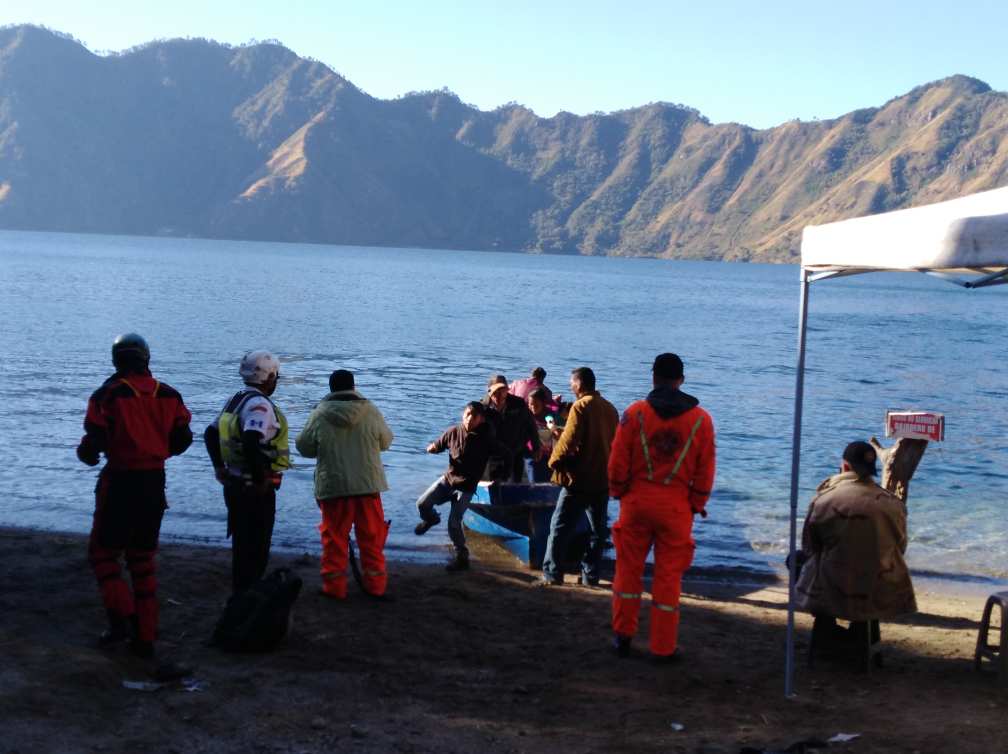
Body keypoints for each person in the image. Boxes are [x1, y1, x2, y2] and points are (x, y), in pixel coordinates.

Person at [77, 333, 193, 659]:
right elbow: (183, 440)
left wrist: (88, 453)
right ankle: (145, 637)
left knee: (103, 555)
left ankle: (123, 619)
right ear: (146, 359)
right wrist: (156, 450)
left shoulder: (108, 395)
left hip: (120, 482)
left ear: (117, 361)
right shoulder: (169, 395)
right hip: (153, 483)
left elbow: (93, 443)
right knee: (142, 562)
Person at [607, 353, 716, 662]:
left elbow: (617, 463)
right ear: (681, 380)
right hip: (677, 509)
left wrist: (619, 492)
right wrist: (697, 502)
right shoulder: (701, 421)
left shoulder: (634, 414)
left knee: (628, 572)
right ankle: (663, 647)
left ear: (653, 376)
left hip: (637, 503)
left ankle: (623, 637)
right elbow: (706, 469)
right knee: (668, 578)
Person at [795, 441, 916, 647]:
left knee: (796, 559)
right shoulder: (894, 504)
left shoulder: (824, 500)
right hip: (878, 587)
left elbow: (810, 546)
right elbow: (900, 548)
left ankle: (825, 622)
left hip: (832, 586)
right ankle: (863, 628)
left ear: (845, 466)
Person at [295, 369, 393, 599]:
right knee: (371, 538)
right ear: (353, 386)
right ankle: (376, 587)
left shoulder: (319, 413)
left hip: (334, 487)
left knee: (335, 539)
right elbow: (386, 442)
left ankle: (334, 588)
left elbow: (304, 447)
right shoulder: (370, 411)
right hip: (368, 486)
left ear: (330, 388)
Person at [204, 351, 290, 596]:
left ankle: (241, 591)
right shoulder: (260, 405)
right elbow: (252, 441)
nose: (276, 381)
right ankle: (248, 597)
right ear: (269, 377)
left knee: (242, 546)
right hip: (254, 490)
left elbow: (210, 433)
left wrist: (219, 467)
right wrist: (261, 479)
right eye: (276, 377)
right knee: (257, 548)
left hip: (234, 485)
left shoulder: (236, 399)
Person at [541, 367, 619, 586]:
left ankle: (552, 574)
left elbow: (569, 441)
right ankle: (590, 575)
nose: (569, 387)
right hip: (602, 480)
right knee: (598, 531)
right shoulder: (610, 409)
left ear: (580, 384)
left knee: (559, 527)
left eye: (571, 383)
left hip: (579, 480)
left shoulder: (580, 406)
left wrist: (553, 461)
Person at [415, 401, 501, 572]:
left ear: (481, 420)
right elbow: (438, 445)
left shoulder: (486, 439)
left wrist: (498, 477)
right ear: (463, 414)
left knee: (454, 523)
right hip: (448, 481)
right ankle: (432, 519)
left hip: (466, 488)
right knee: (422, 503)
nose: (469, 419)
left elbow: (506, 455)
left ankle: (462, 557)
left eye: (474, 416)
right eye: (467, 414)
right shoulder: (453, 432)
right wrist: (431, 448)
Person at [483, 374, 542, 482]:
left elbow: (530, 425)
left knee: (516, 484)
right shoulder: (483, 408)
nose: (500, 395)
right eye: (496, 392)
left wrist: (536, 446)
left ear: (507, 390)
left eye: (503, 391)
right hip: (495, 455)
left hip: (516, 450)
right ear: (489, 392)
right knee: (496, 485)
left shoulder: (518, 404)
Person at [526, 387, 557, 483]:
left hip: (547, 454)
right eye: (531, 404)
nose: (533, 407)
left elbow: (550, 422)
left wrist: (553, 429)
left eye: (536, 405)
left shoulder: (548, 415)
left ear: (543, 404)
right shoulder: (527, 415)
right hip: (532, 452)